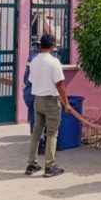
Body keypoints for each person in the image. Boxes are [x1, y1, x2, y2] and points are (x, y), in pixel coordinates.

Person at [25, 34, 73, 177]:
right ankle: (50, 166)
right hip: (51, 100)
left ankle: (31, 164)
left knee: (36, 132)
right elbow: (60, 84)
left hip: (38, 100)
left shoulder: (33, 62)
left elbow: (32, 80)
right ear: (52, 46)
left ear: (40, 46)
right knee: (52, 134)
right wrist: (67, 104)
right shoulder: (54, 62)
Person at [23, 42, 46, 155]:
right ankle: (39, 145)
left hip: (29, 93)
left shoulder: (32, 55)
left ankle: (38, 144)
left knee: (35, 120)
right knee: (37, 121)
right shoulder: (37, 58)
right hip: (35, 93)